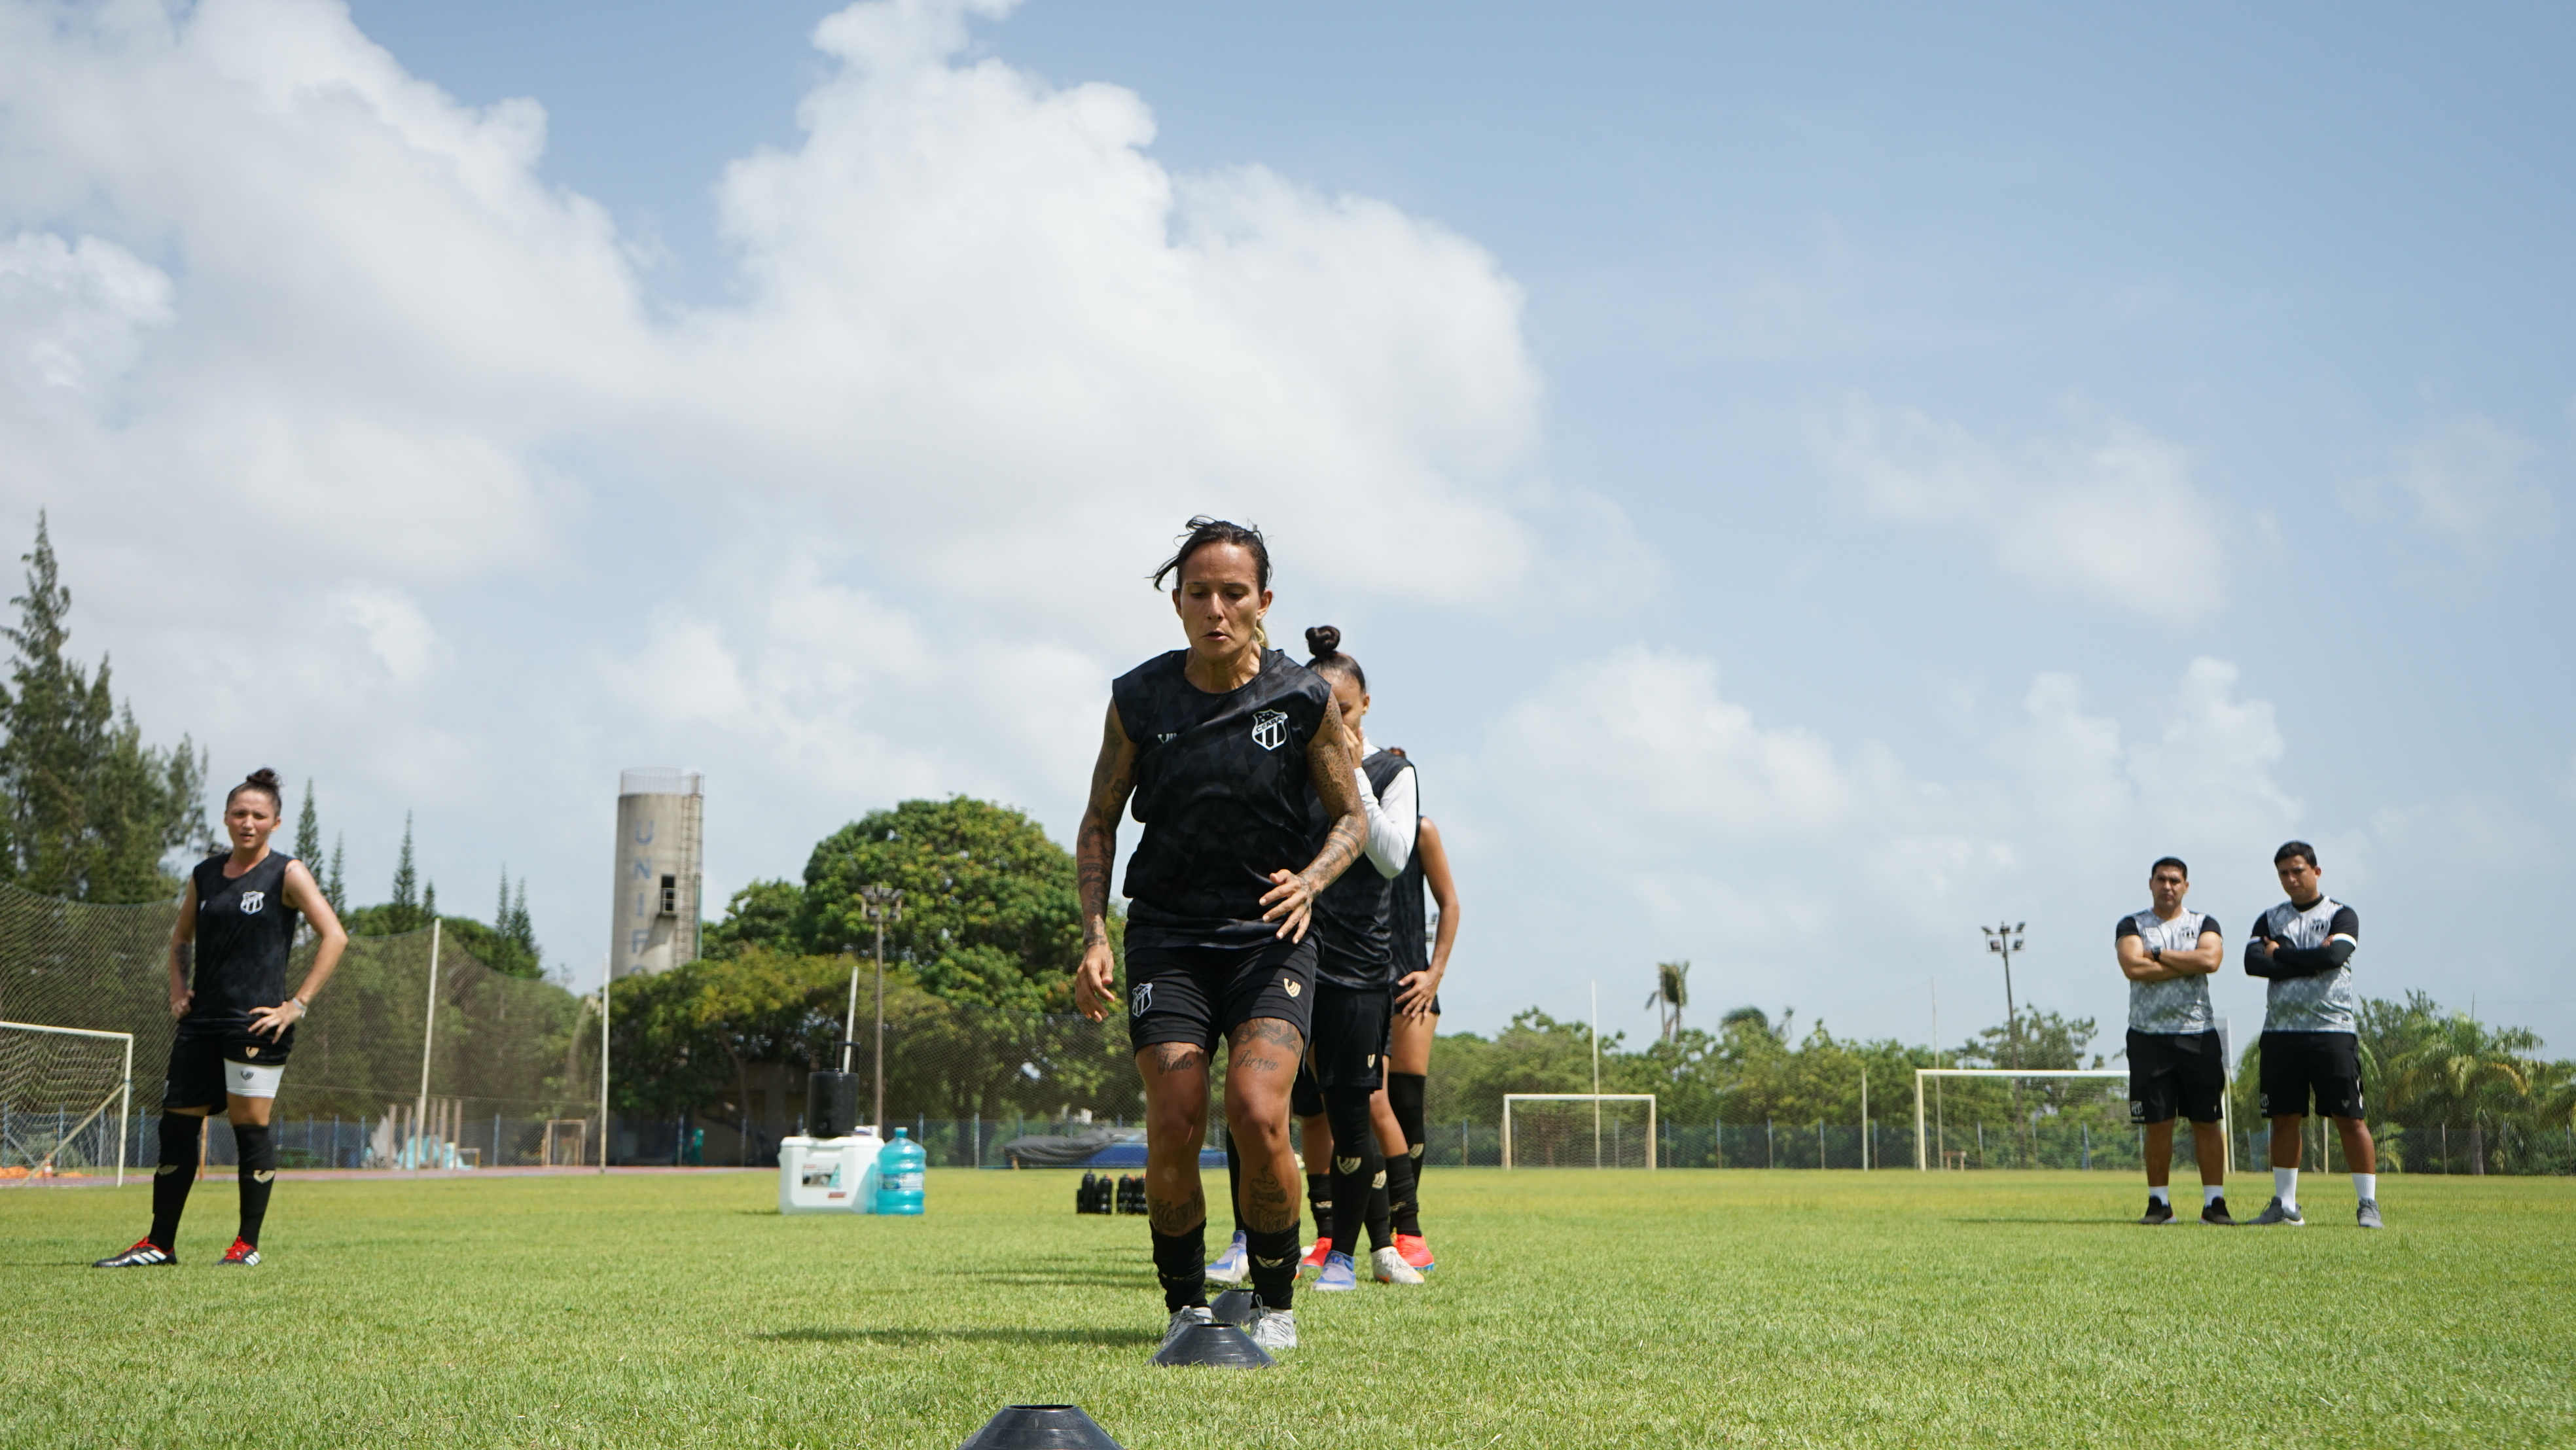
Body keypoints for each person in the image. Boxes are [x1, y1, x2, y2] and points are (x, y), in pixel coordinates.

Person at [1073, 518, 1369, 1355]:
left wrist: (1311, 879)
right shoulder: (1139, 699)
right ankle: (1185, 1302)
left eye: (1234, 592)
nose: (1216, 608)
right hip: (1167, 935)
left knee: (1255, 1110)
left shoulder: (1302, 698)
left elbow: (1350, 818)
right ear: (1176, 603)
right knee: (1173, 1116)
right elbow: (1098, 822)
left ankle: (1275, 1294)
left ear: (1263, 600)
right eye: (1199, 592)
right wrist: (1095, 932)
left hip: (1269, 937)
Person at [95, 768, 349, 1268]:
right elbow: (179, 940)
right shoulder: (206, 874)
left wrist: (295, 1005)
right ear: (227, 818)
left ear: (275, 822)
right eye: (239, 813)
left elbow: (335, 936)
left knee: (248, 1127)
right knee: (175, 1127)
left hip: (256, 1024)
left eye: (258, 815)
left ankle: (245, 1246)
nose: (247, 822)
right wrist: (177, 990)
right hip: (201, 1024)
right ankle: (159, 1245)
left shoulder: (287, 872)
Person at [1290, 626, 1424, 1292]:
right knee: (1278, 1103)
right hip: (1291, 953)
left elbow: (1393, 856)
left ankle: (1354, 1251)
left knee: (1355, 1106)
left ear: (1364, 705)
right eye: (1322, 711)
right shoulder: (1296, 767)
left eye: (1342, 711)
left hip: (1361, 964)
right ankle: (1283, 1241)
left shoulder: (1393, 772)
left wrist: (1354, 774)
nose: (1333, 723)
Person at [2244, 841, 2380, 1229]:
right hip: (2281, 1033)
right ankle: (2285, 1207)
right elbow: (2253, 964)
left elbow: (2333, 958)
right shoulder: (2269, 918)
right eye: (2284, 873)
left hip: (2331, 1031)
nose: (2291, 879)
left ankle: (2367, 1204)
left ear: (2316, 871)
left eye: (2298, 870)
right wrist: (2304, 959)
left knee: (2349, 1117)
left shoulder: (2341, 915)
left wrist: (2280, 954)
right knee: (2284, 1117)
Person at [2114, 857, 2230, 1226]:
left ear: (2186, 886)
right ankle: (2158, 1204)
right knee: (2158, 1122)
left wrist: (2160, 955)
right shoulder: (2132, 924)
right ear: (2150, 883)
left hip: (2198, 1035)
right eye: (2162, 879)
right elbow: (2133, 967)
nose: (2168, 886)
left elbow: (2211, 961)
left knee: (2206, 1120)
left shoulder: (2203, 923)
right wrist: (2187, 962)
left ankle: (2215, 1204)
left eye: (2175, 880)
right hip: (2149, 1037)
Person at [1384, 810, 1459, 1269]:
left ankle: (1407, 1230)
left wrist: (1434, 974)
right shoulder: (1337, 819)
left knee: (1406, 1104)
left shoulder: (1420, 829)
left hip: (1409, 984)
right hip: (1350, 981)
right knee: (1355, 1107)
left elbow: (1450, 902)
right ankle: (1338, 1234)